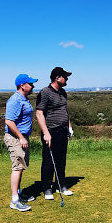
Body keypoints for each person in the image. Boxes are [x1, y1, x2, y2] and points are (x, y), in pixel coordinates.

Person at [36, 66, 75, 200]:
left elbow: (65, 111)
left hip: (62, 131)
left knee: (61, 159)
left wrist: (69, 127)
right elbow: (39, 113)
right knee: (48, 160)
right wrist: (46, 132)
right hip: (50, 131)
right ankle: (47, 188)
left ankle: (61, 185)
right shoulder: (45, 92)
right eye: (65, 76)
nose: (67, 79)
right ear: (57, 78)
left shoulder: (63, 93)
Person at [4, 73, 38, 212]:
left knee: (21, 166)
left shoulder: (24, 99)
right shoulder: (15, 100)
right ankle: (14, 200)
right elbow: (9, 121)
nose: (33, 86)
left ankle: (18, 193)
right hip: (15, 138)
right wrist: (21, 137)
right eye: (30, 84)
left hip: (22, 137)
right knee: (17, 167)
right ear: (22, 86)